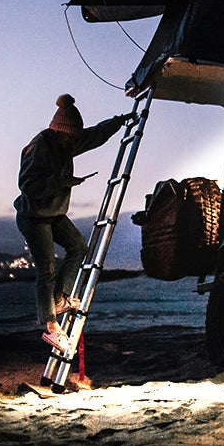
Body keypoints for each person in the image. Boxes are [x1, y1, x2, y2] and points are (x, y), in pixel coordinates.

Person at [14, 94, 133, 381]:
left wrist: (119, 122)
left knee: (79, 247)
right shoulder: (38, 148)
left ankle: (60, 299)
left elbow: (94, 136)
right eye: (70, 138)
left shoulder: (67, 142)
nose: (72, 143)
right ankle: (51, 327)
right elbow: (28, 186)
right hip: (33, 215)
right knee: (47, 268)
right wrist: (60, 181)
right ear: (59, 132)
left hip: (54, 212)